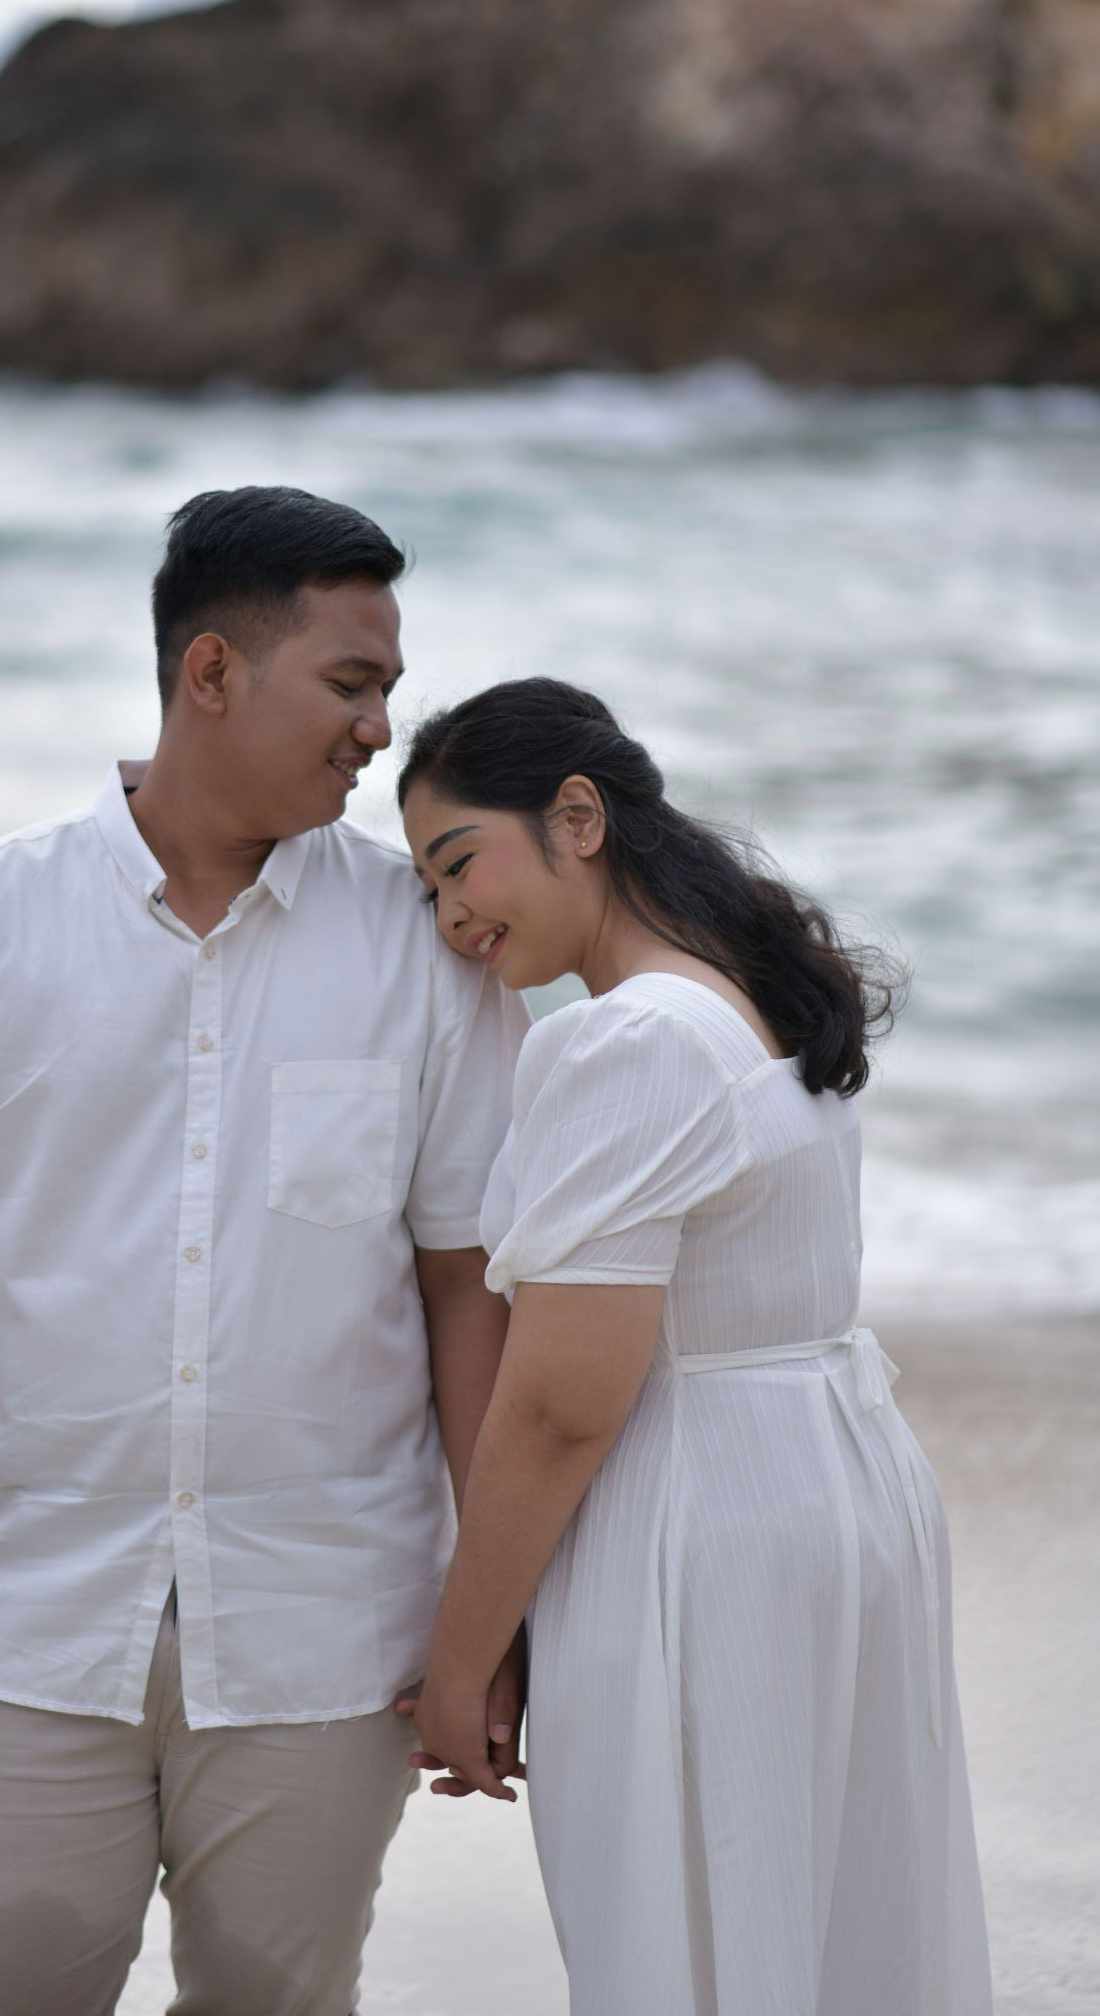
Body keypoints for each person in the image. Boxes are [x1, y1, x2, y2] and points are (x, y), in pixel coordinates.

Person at [0, 486, 530, 2016]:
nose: (378, 731)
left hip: (330, 1627)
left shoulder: (424, 943)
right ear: (211, 671)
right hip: (35, 1617)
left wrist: (490, 1608)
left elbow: (465, 1288)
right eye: (350, 684)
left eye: (386, 689)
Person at [398, 679, 993, 2016]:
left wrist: (460, 1658)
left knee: (688, 1927)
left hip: (703, 1516)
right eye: (427, 891)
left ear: (577, 817)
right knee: (826, 1913)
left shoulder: (630, 1040)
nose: (450, 919)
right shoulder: (745, 996)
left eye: (459, 863)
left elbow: (562, 1406)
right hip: (829, 1483)